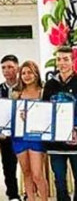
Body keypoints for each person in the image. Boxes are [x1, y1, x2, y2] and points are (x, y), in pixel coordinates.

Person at [42, 46, 77, 201]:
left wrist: (76, 129)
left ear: (72, 61)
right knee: (59, 181)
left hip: (76, 143)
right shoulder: (50, 85)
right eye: (59, 59)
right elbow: (45, 111)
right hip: (55, 144)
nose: (62, 63)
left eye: (65, 59)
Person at [12, 61, 49, 201]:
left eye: (30, 72)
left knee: (37, 174)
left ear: (36, 74)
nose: (26, 76)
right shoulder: (15, 93)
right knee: (26, 172)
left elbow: (47, 115)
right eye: (23, 73)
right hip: (19, 137)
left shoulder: (43, 92)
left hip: (36, 136)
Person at [0, 55, 22, 201]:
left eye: (10, 67)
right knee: (8, 166)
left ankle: (30, 193)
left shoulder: (25, 87)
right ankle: (13, 195)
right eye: (3, 68)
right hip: (4, 136)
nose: (6, 71)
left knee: (30, 168)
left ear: (17, 68)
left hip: (23, 134)